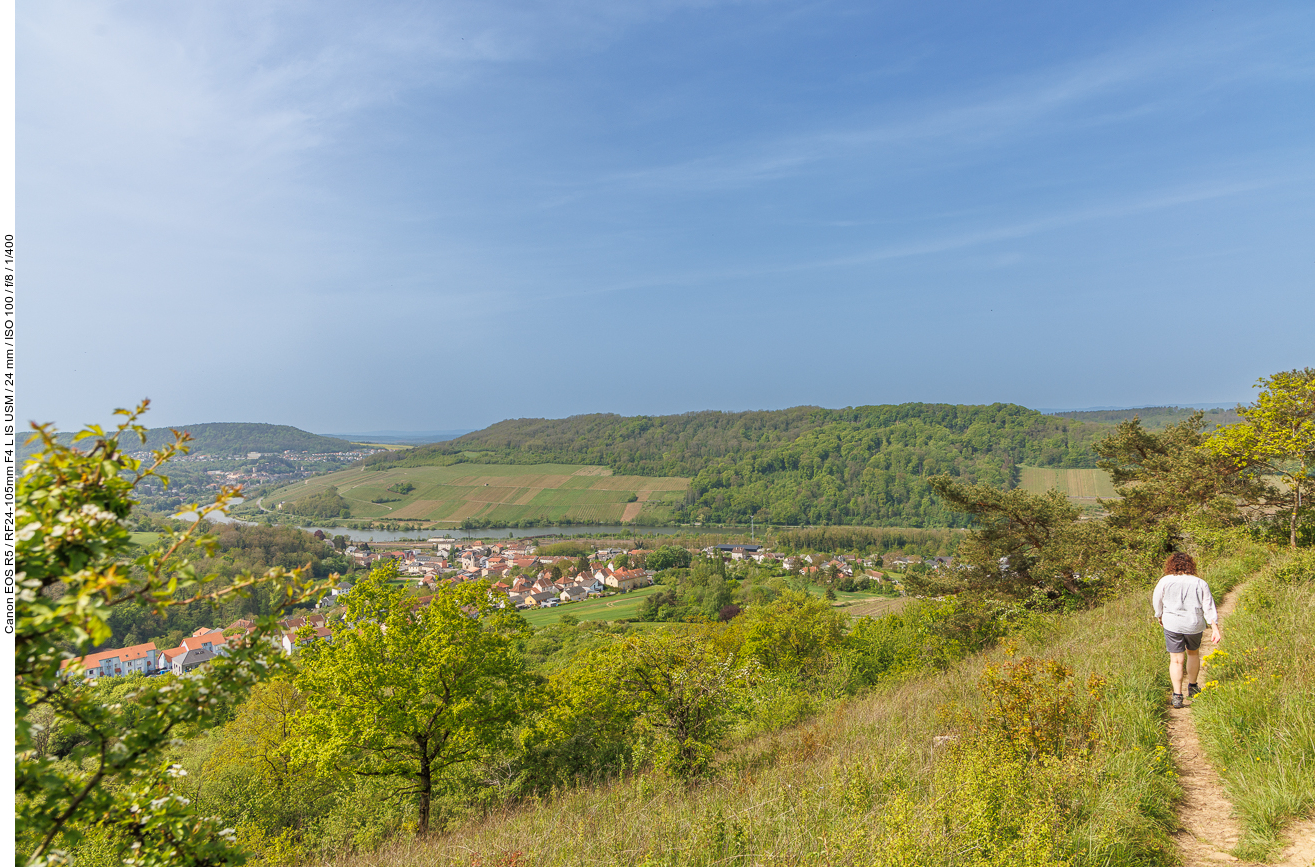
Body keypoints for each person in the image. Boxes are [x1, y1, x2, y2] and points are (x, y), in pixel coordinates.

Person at [1152, 552, 1222, 708]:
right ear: (1191, 565)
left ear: (1171, 565)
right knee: (1193, 653)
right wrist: (1214, 627)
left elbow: (1157, 601)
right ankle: (1192, 686)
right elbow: (1208, 606)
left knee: (1176, 660)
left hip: (1172, 623)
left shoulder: (1165, 581)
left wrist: (1159, 615)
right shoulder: (1199, 582)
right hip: (1194, 624)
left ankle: (1177, 695)